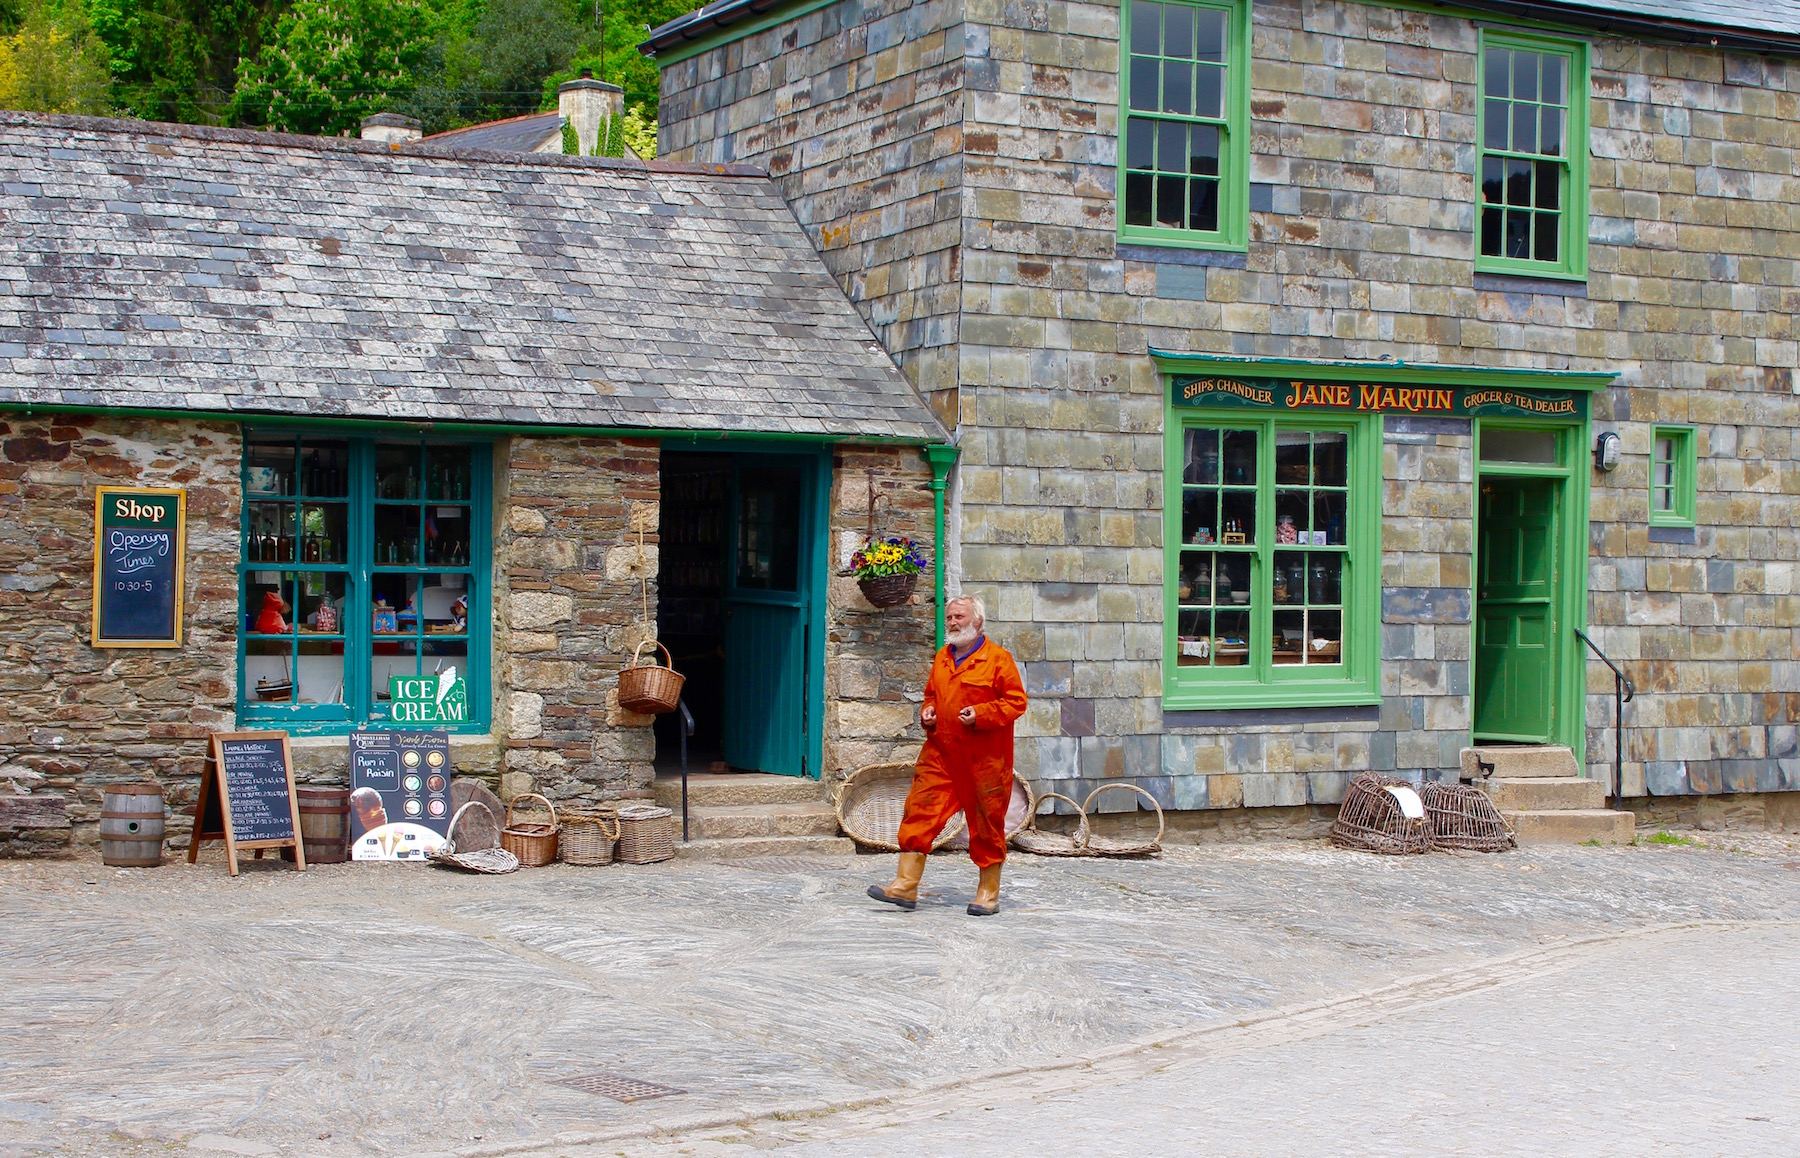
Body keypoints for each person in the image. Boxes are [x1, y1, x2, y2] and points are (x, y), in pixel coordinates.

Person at [869, 594, 1027, 916]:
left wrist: (981, 714)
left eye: (960, 617)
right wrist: (928, 712)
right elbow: (932, 695)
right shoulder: (942, 657)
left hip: (984, 761)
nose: (953, 622)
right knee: (919, 810)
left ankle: (988, 893)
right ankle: (905, 885)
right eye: (950, 617)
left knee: (986, 824)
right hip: (940, 752)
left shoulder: (998, 659)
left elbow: (1016, 702)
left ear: (977, 621)